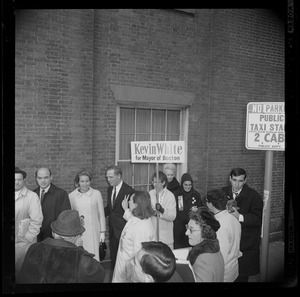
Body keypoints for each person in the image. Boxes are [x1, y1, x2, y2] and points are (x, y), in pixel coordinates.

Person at [17, 209, 105, 283]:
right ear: (77, 236)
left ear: (53, 233)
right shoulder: (83, 260)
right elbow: (100, 274)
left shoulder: (33, 248)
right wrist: (80, 249)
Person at [221, 168, 263, 282]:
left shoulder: (254, 196)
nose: (237, 184)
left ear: (245, 180)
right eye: (234, 180)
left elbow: (258, 219)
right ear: (230, 179)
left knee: (242, 277)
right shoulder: (223, 192)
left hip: (246, 244)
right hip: (228, 243)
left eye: (240, 181)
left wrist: (239, 216)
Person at [112, 191, 156, 282]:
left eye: (131, 200)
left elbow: (139, 255)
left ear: (136, 204)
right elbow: (131, 220)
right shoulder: (137, 218)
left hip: (129, 271)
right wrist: (125, 209)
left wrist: (131, 276)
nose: (128, 202)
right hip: (123, 264)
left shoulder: (143, 227)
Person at [69, 170, 106, 261]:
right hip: (79, 233)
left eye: (87, 181)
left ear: (90, 181)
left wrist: (102, 232)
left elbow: (101, 213)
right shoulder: (72, 196)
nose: (85, 184)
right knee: (81, 256)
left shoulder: (96, 194)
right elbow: (71, 216)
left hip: (94, 230)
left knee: (94, 256)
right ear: (78, 182)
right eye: (82, 181)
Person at [205, 189, 242, 282]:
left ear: (210, 203)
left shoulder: (219, 225)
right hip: (233, 267)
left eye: (206, 201)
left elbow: (221, 255)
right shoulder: (233, 218)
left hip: (223, 273)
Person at [104, 165, 135, 271]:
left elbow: (132, 213)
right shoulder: (110, 190)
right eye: (107, 177)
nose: (108, 180)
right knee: (113, 259)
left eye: (111, 177)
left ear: (119, 176)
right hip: (112, 230)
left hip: (123, 231)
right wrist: (97, 214)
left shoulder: (129, 191)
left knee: (122, 261)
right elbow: (110, 208)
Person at [15, 167, 43, 277]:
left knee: (24, 274)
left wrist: (27, 238)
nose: (16, 182)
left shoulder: (31, 196)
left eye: (19, 179)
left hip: (24, 244)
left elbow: (37, 220)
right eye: (14, 179)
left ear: (24, 180)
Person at [185, 206, 224, 282]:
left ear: (205, 232)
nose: (186, 233)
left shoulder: (203, 260)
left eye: (191, 229)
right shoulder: (213, 250)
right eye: (187, 228)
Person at [33, 167, 71, 242]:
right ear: (36, 179)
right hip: (36, 237)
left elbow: (65, 217)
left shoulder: (61, 194)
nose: (43, 181)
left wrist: (59, 235)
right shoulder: (32, 194)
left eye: (46, 177)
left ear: (51, 177)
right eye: (40, 178)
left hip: (54, 238)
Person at [173, 173, 204, 249]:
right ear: (182, 184)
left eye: (190, 185)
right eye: (185, 185)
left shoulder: (196, 194)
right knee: (179, 248)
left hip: (192, 227)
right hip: (179, 227)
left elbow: (201, 208)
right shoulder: (176, 194)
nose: (188, 187)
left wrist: (197, 210)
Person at [149, 171, 176, 249]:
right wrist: (151, 212)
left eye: (158, 182)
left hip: (166, 238)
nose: (155, 184)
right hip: (153, 236)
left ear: (163, 182)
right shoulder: (150, 193)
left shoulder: (170, 196)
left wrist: (162, 211)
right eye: (154, 182)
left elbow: (172, 216)